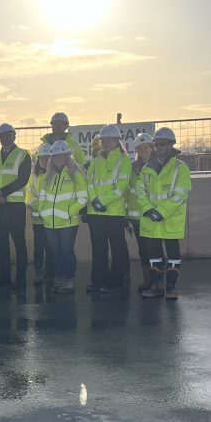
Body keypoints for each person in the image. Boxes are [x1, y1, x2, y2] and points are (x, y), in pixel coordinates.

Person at [137, 127, 192, 300]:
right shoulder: (147, 168)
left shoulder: (180, 168)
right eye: (157, 144)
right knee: (154, 256)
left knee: (173, 256)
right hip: (151, 221)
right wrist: (148, 210)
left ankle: (171, 288)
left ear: (171, 145)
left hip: (170, 221)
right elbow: (139, 191)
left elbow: (181, 193)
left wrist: (161, 212)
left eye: (163, 144)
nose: (159, 147)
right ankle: (156, 286)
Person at [85, 124, 132, 294]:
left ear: (116, 140)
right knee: (98, 249)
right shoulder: (96, 160)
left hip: (114, 213)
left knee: (117, 248)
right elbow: (88, 182)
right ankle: (97, 281)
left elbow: (121, 186)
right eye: (102, 139)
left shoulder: (124, 160)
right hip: (95, 213)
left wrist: (101, 201)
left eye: (107, 139)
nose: (104, 142)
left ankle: (115, 282)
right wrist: (94, 200)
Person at [38, 141, 88, 294]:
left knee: (67, 251)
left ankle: (69, 280)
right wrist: (42, 212)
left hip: (68, 222)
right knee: (55, 251)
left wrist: (69, 212)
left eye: (61, 155)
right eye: (55, 155)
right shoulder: (49, 175)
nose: (58, 158)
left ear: (67, 156)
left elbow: (83, 198)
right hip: (49, 222)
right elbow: (42, 196)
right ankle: (59, 278)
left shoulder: (75, 173)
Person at [0, 123, 31, 289]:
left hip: (15, 207)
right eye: (1, 136)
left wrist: (1, 193)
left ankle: (20, 278)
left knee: (19, 243)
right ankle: (3, 276)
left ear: (14, 135)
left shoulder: (23, 155)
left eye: (8, 135)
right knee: (1, 243)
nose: (5, 138)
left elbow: (23, 179)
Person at [128, 133, 155, 293]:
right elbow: (128, 192)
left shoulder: (158, 166)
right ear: (137, 150)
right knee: (143, 251)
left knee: (155, 250)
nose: (144, 150)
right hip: (137, 218)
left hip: (153, 217)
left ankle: (157, 281)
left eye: (147, 147)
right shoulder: (132, 169)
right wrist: (127, 217)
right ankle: (147, 281)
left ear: (152, 148)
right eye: (141, 148)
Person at [26, 143, 53, 286]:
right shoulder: (33, 177)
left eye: (48, 158)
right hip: (38, 220)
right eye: (42, 158)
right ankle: (38, 272)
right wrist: (42, 210)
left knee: (51, 248)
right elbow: (29, 196)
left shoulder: (57, 175)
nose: (45, 161)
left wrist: (47, 212)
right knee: (39, 247)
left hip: (53, 220)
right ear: (38, 159)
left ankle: (49, 273)